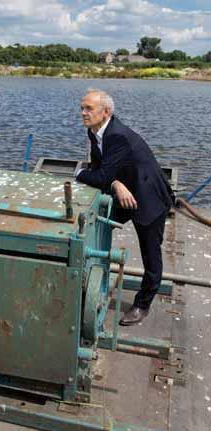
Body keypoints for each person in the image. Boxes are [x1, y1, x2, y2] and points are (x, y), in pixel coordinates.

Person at [76, 88, 174, 326]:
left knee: (151, 253)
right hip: (126, 191)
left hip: (148, 196)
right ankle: (94, 277)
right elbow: (102, 168)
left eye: (89, 108)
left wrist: (79, 174)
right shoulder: (95, 131)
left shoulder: (116, 135)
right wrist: (116, 183)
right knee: (99, 226)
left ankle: (143, 304)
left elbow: (99, 176)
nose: (83, 113)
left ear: (105, 112)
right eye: (82, 108)